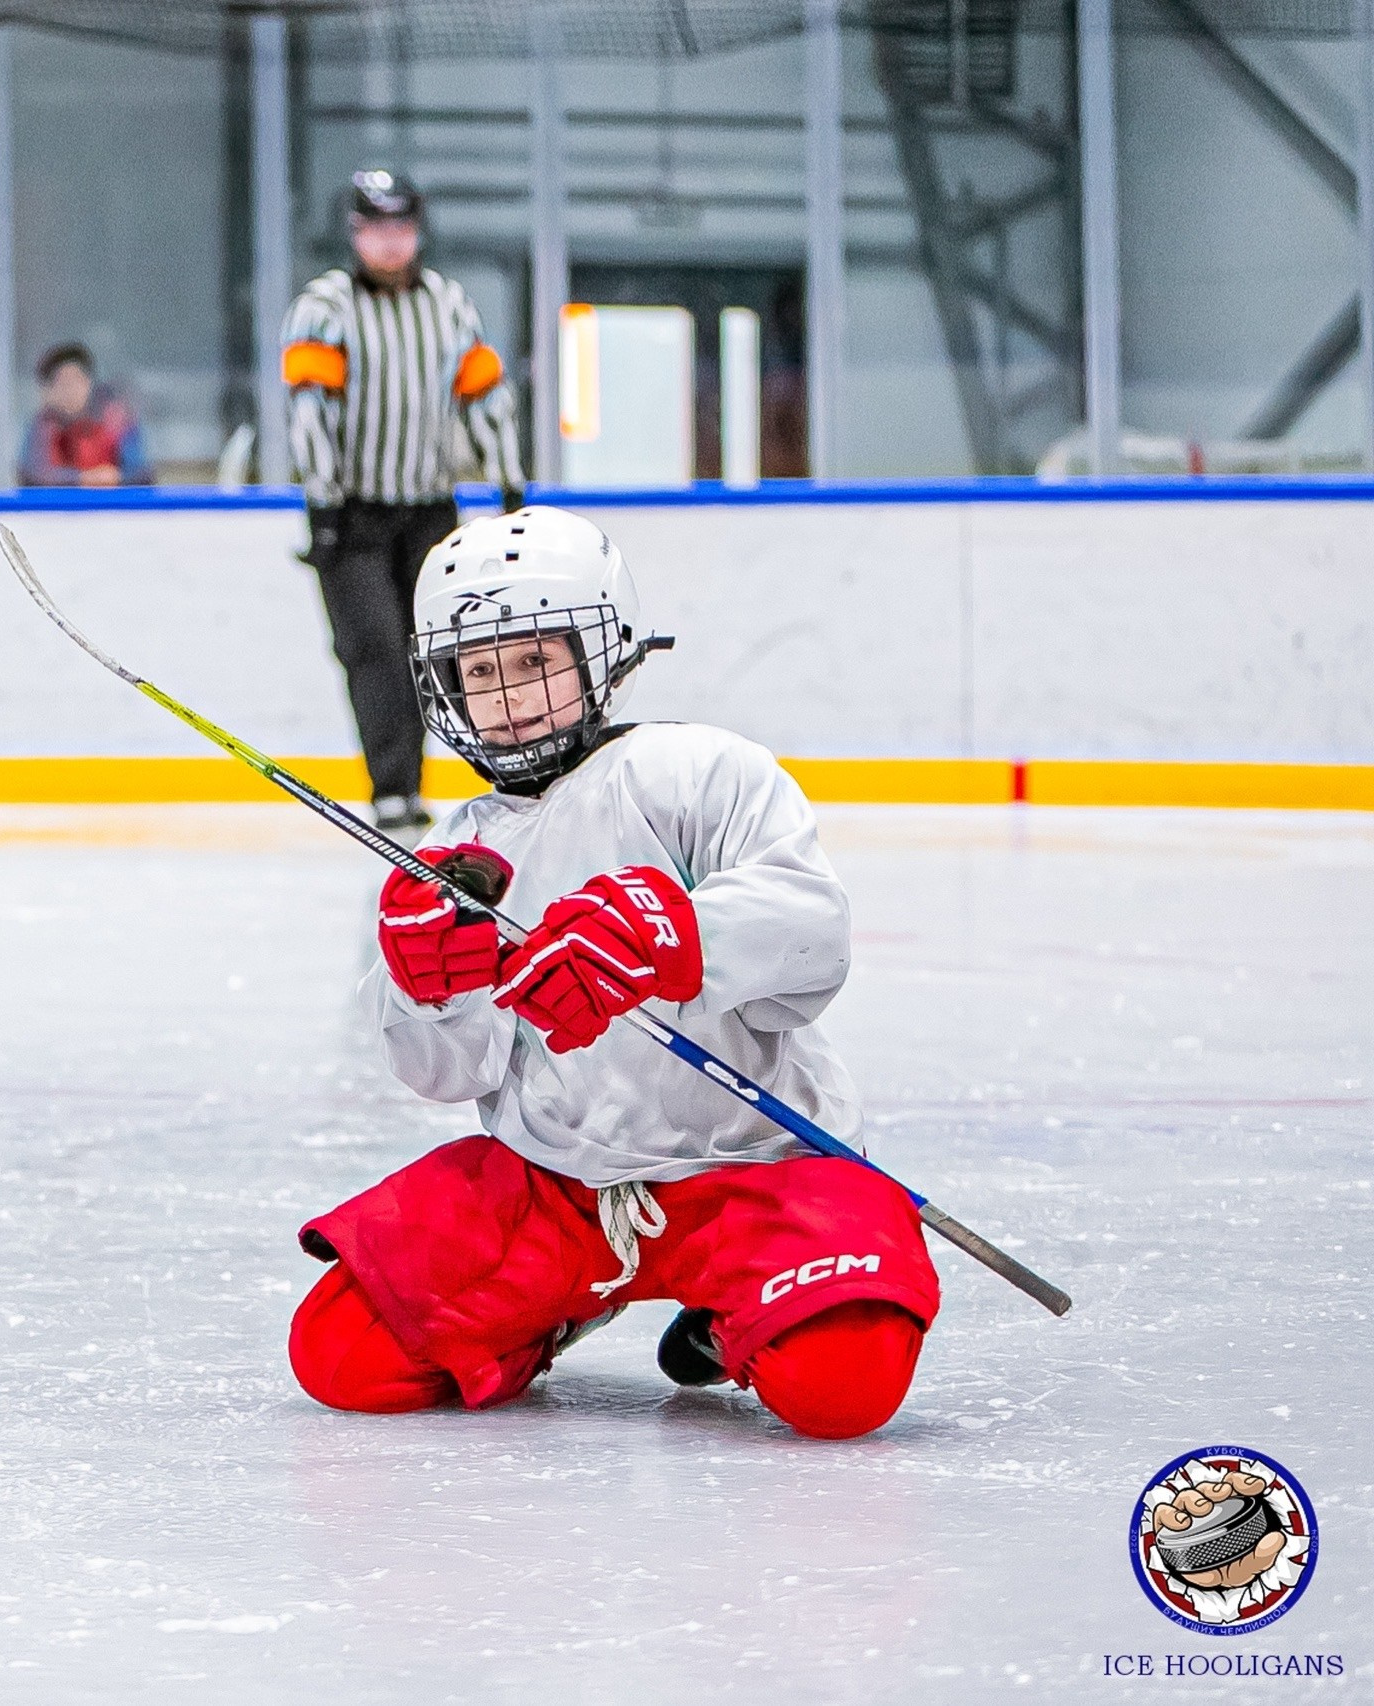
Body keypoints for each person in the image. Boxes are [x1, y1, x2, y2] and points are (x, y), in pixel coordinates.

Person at [287, 506, 940, 1441]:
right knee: (343, 1352)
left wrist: (674, 937)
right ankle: (557, 1307)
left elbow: (816, 940)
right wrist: (429, 988)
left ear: (602, 652)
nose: (508, 697)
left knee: (846, 1381)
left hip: (748, 1169)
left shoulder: (701, 771)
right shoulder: (456, 853)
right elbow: (447, 1076)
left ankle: (728, 1322)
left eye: (534, 661)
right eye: (479, 672)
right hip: (557, 1189)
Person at [283, 168, 529, 836]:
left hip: (429, 509)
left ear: (417, 232)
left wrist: (509, 484)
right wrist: (323, 502)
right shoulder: (325, 305)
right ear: (355, 234)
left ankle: (503, 771)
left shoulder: (448, 303)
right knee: (375, 650)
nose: (390, 245)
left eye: (401, 229)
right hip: (354, 514)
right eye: (375, 230)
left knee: (442, 649)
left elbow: (484, 395)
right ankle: (394, 787)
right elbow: (310, 412)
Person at [18, 344, 152, 487]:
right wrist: (82, 479)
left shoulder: (116, 420)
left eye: (77, 380)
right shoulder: (42, 427)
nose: (71, 391)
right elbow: (35, 473)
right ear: (49, 391)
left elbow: (142, 472)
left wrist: (115, 477)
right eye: (62, 383)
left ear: (88, 383)